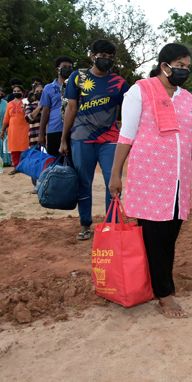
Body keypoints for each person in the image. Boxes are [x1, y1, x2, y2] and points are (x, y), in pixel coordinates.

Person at [108, 43, 192, 319]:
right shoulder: (139, 91)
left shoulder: (186, 98)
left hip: (177, 180)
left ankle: (153, 285)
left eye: (187, 66)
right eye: (180, 64)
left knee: (170, 235)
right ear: (165, 66)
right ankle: (165, 296)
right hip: (149, 179)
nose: (184, 70)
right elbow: (126, 135)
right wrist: (115, 174)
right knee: (156, 237)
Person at [61, 40, 129, 241]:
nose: (105, 60)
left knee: (112, 181)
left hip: (110, 140)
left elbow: (128, 114)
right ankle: (85, 224)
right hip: (81, 139)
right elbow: (71, 109)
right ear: (92, 56)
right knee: (84, 182)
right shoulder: (78, 78)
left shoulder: (119, 83)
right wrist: (64, 140)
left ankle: (112, 226)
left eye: (109, 57)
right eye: (102, 55)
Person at [39, 56, 74, 156]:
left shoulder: (76, 87)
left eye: (70, 67)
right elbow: (45, 111)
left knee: (73, 163)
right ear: (57, 69)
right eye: (64, 66)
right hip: (54, 129)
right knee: (55, 162)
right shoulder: (48, 88)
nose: (67, 69)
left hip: (73, 130)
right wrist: (41, 134)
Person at [0, 85, 30, 173]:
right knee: (14, 150)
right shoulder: (9, 104)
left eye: (18, 91)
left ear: (22, 92)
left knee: (25, 149)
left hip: (25, 128)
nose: (16, 92)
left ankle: (25, 167)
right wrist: (2, 130)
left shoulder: (26, 102)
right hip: (13, 130)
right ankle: (16, 167)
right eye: (15, 91)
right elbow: (6, 118)